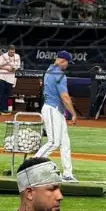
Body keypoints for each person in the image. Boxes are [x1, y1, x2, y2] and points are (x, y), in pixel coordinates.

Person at [34, 50, 78, 183]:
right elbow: (65, 97)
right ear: (63, 61)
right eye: (67, 63)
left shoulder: (49, 70)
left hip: (55, 110)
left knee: (65, 143)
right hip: (52, 109)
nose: (67, 66)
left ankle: (68, 174)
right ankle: (30, 166)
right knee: (53, 142)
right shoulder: (59, 74)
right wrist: (73, 114)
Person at [0, 44, 21, 114]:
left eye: (13, 52)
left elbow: (18, 66)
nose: (12, 53)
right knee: (0, 94)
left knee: (6, 95)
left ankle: (4, 109)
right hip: (1, 77)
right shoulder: (3, 56)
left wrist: (14, 69)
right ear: (8, 51)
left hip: (10, 78)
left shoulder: (17, 56)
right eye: (10, 52)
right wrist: (7, 68)